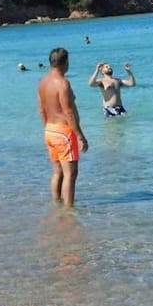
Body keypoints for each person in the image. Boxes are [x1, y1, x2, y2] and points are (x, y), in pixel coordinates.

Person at [37, 47, 88, 207]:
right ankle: (69, 210)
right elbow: (68, 112)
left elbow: (41, 109)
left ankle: (56, 203)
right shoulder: (63, 83)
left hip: (49, 130)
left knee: (57, 171)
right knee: (70, 174)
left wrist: (47, 127)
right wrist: (80, 135)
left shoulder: (43, 82)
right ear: (65, 63)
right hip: (63, 132)